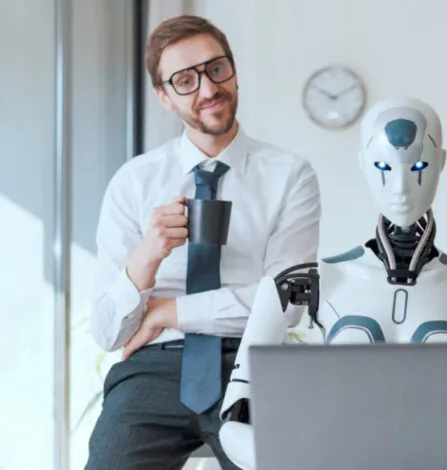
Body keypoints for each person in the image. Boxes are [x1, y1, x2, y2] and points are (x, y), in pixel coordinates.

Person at [217, 96, 447, 470]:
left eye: (418, 165)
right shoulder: (302, 284)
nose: (401, 187)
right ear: (363, 165)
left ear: (441, 163)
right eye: (384, 166)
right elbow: (235, 420)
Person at [86, 14, 321, 469]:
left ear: (232, 70)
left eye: (216, 69)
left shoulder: (289, 175)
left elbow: (287, 303)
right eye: (185, 80)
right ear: (164, 97)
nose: (208, 89)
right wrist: (147, 257)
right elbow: (107, 331)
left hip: (253, 361)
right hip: (154, 368)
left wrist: (166, 311)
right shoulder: (134, 182)